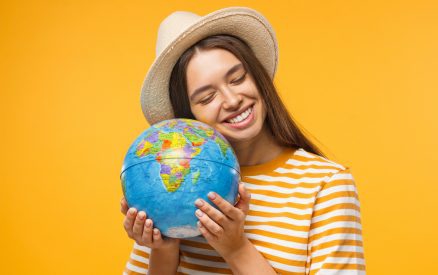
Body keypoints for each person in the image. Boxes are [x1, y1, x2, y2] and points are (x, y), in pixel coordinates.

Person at [121, 7, 365, 275]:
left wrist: (236, 248)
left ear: (257, 77)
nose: (232, 99)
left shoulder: (326, 185)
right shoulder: (170, 184)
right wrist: (164, 248)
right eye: (207, 97)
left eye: (237, 79)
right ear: (188, 116)